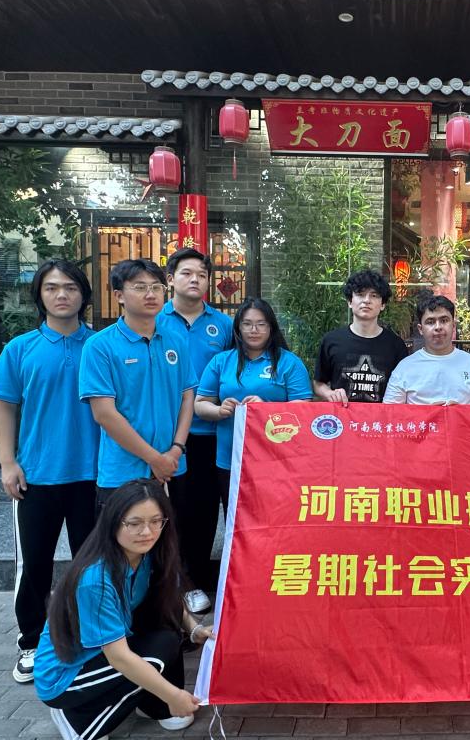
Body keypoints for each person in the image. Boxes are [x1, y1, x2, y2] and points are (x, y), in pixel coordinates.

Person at [0, 260, 100, 684]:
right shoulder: (20, 349)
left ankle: (91, 637)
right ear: (40, 296)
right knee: (34, 564)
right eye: (51, 288)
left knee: (93, 564)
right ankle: (31, 640)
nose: (61, 295)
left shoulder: (101, 346)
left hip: (93, 476)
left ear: (84, 295)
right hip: (36, 476)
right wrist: (8, 463)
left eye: (70, 287)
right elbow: (5, 408)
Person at [35, 480, 214, 740]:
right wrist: (174, 695)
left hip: (104, 652)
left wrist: (195, 629)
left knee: (165, 633)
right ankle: (77, 718)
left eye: (156, 521)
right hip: (66, 675)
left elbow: (169, 601)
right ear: (113, 522)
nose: (147, 531)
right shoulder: (95, 579)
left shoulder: (147, 555)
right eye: (134, 523)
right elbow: (119, 657)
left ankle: (153, 705)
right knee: (151, 659)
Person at [79, 260, 197, 508]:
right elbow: (104, 414)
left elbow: (187, 397)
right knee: (125, 533)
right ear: (119, 295)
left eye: (156, 287)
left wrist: (176, 449)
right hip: (122, 473)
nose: (150, 294)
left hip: (173, 466)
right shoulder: (100, 346)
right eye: (140, 287)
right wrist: (154, 459)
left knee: (173, 533)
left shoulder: (176, 341)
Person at [155, 247, 233, 614]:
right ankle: (171, 583)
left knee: (203, 513)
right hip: (165, 437)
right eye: (187, 273)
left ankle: (196, 581)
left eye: (202, 275)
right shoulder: (155, 321)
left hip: (211, 435)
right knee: (171, 512)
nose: (195, 280)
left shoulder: (224, 325)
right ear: (171, 279)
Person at [196, 298, 312, 506]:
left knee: (274, 516)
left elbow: (304, 408)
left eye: (261, 324)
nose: (254, 330)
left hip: (276, 458)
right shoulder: (222, 361)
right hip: (230, 458)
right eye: (247, 324)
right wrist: (219, 410)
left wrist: (266, 409)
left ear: (271, 327)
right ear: (238, 328)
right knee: (234, 516)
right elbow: (200, 404)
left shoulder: (289, 362)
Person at [383, 294, 470, 405]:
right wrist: (428, 414)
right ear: (420, 329)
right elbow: (389, 414)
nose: (438, 327)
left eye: (444, 321)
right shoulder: (404, 368)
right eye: (430, 322)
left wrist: (460, 412)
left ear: (453, 326)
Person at [313, 269, 408, 405]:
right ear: (350, 301)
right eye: (360, 294)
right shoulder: (331, 340)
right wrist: (330, 394)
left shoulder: (396, 345)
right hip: (341, 416)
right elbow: (318, 383)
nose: (366, 300)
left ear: (382, 304)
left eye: (374, 295)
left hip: (381, 417)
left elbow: (404, 389)